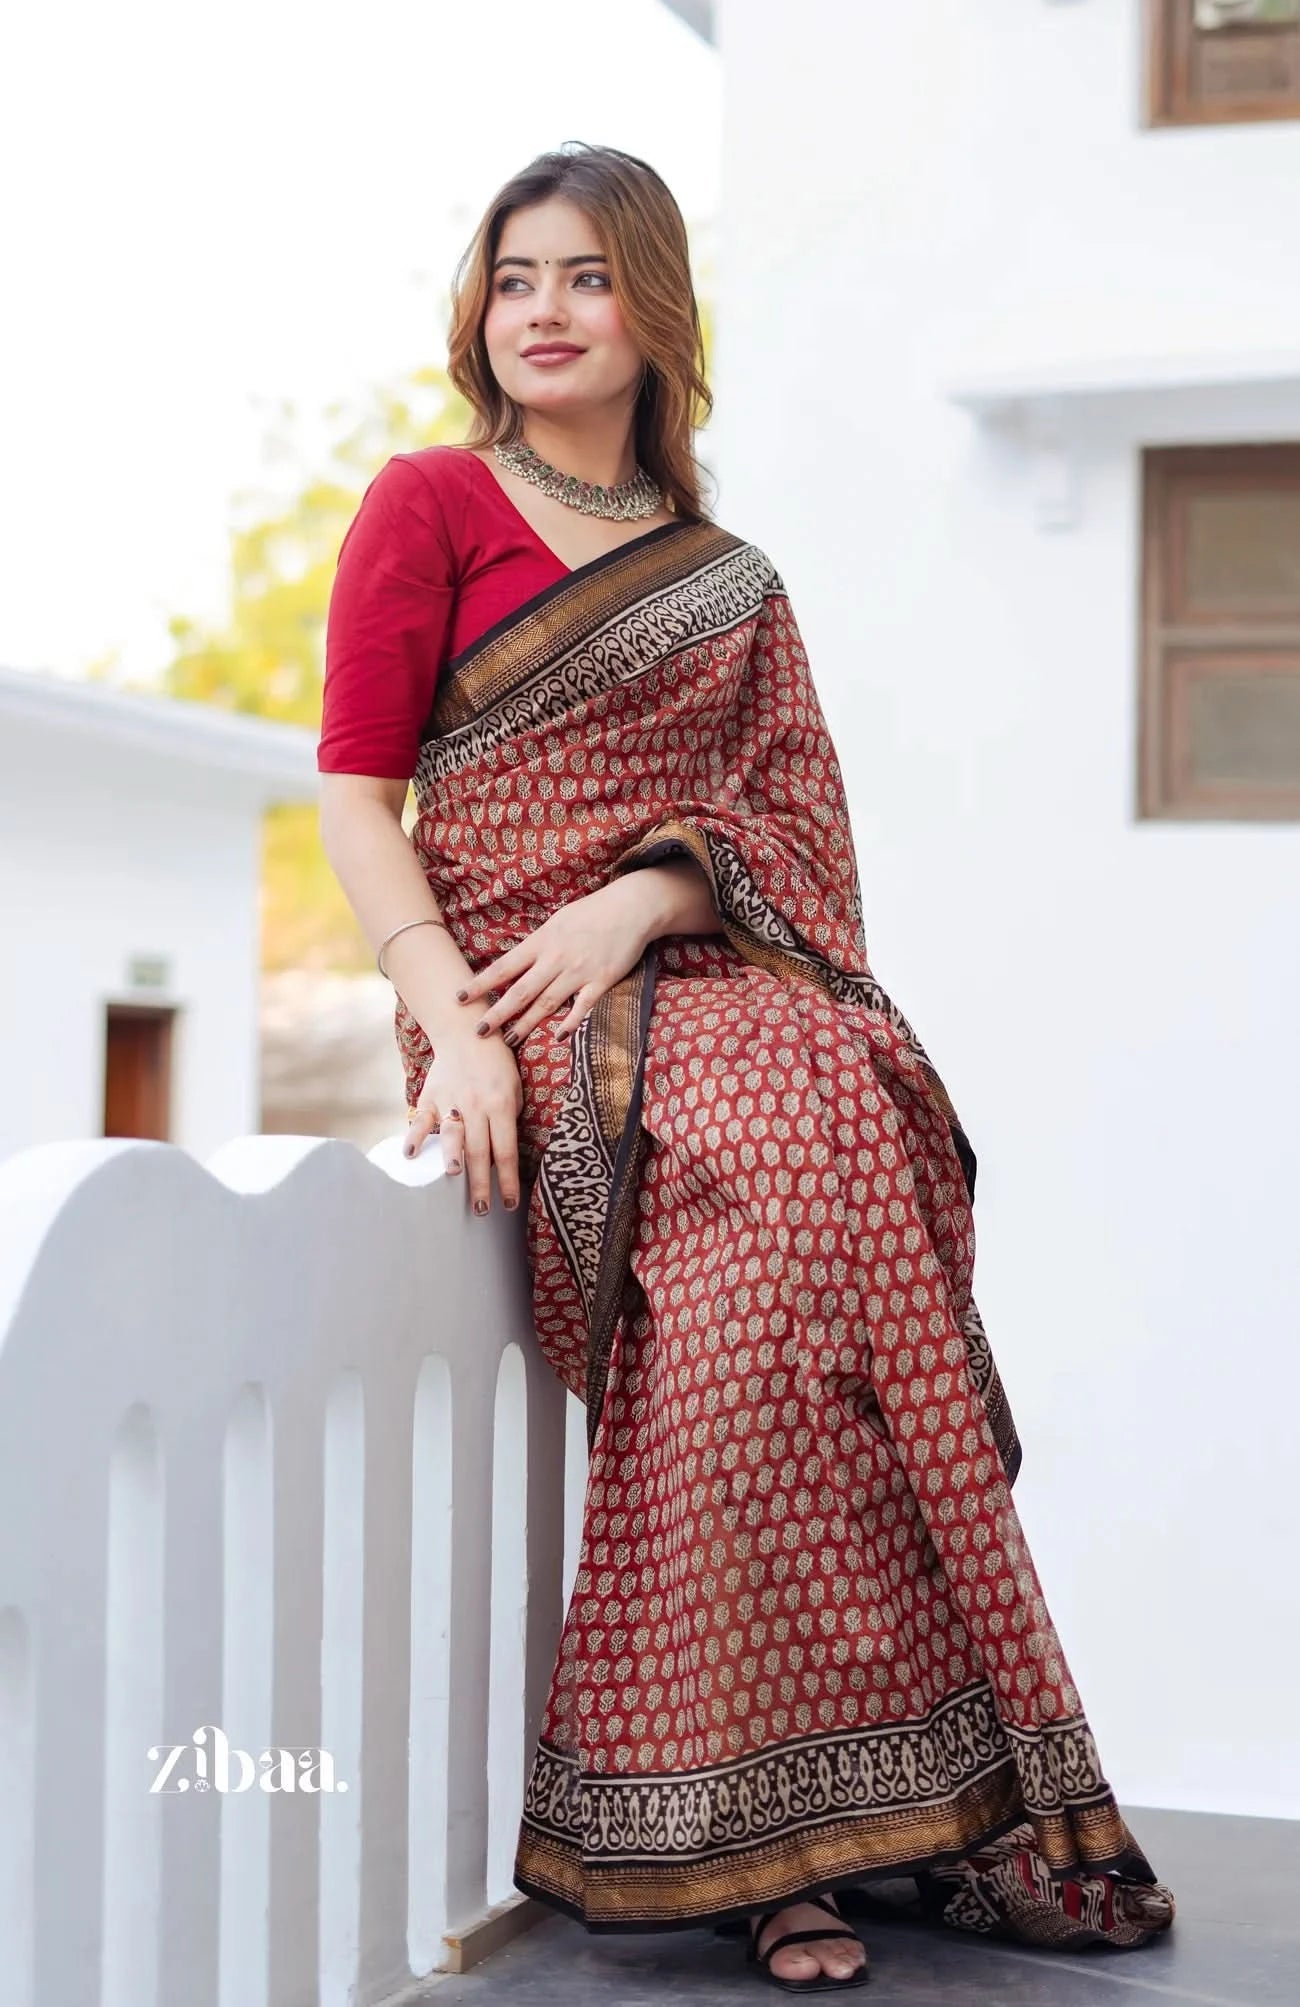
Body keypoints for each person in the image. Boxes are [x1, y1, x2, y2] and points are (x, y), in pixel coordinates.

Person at [317, 142, 1175, 1992]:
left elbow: (793, 825)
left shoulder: (732, 579)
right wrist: (451, 1015)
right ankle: (777, 1827)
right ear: (483, 308)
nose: (542, 312)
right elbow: (353, 796)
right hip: (510, 1000)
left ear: (654, 313)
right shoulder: (430, 504)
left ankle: (791, 1828)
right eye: (515, 276)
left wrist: (642, 902)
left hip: (697, 967)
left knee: (833, 1173)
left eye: (585, 279)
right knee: (790, 1185)